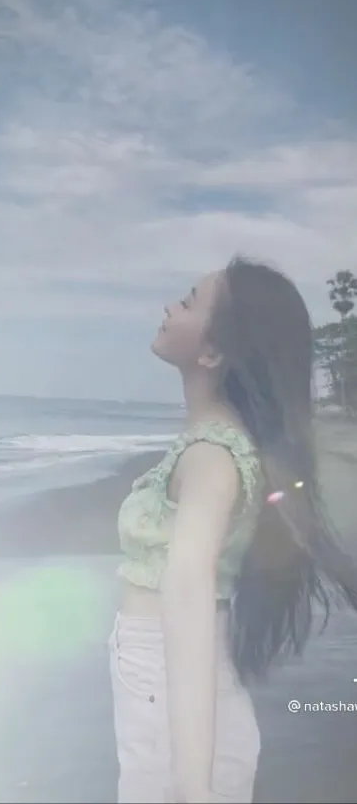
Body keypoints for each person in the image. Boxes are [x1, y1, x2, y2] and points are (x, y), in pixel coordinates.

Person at [108, 256, 357, 803]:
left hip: (169, 695)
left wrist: (192, 789)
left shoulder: (212, 459)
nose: (170, 306)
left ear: (212, 352)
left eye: (189, 300)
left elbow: (189, 601)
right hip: (167, 689)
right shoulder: (222, 444)